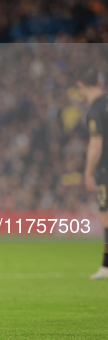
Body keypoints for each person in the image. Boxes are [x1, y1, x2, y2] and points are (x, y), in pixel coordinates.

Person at [77, 67, 108, 280]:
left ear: (81, 85)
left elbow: (96, 144)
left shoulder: (95, 110)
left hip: (106, 169)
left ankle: (106, 267)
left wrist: (88, 172)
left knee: (106, 217)